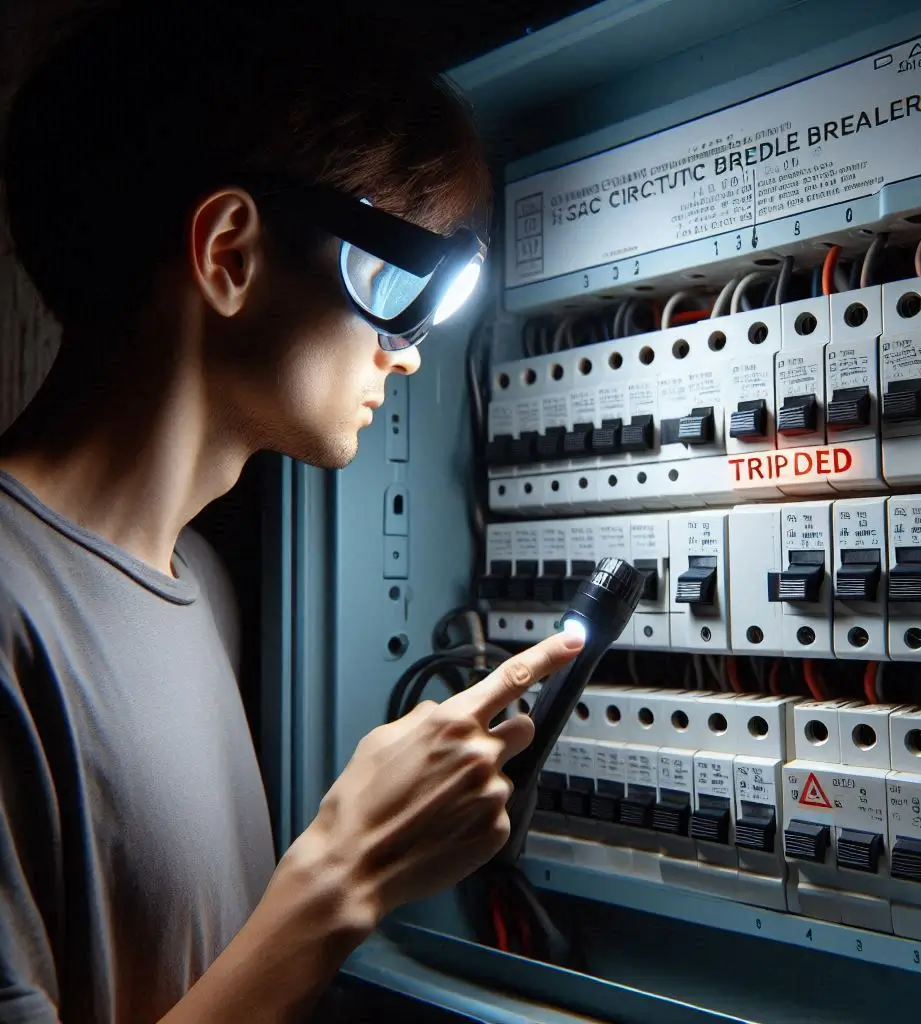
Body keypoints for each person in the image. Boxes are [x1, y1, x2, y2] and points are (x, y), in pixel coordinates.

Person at [0, 3, 583, 1022]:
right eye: (397, 283)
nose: (407, 352)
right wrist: (339, 880)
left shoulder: (203, 587)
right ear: (229, 253)